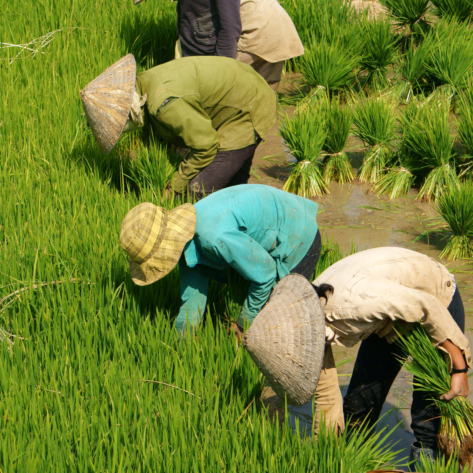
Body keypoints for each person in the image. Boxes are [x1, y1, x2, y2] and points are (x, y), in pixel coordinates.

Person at [310, 247, 471, 462]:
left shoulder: (358, 305)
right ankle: (352, 458)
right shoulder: (308, 318)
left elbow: (428, 307)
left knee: (428, 415)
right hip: (389, 316)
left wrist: (459, 367)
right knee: (360, 402)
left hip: (435, 300)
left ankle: (431, 463)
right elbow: (326, 397)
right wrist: (325, 452)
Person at [118, 184, 321, 337]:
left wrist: (242, 325)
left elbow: (265, 274)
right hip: (266, 235)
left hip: (297, 237)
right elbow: (192, 301)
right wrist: (178, 349)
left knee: (279, 325)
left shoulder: (212, 237)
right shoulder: (186, 242)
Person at [80, 55, 277, 199]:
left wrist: (173, 186)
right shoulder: (143, 83)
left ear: (130, 115)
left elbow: (207, 145)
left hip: (247, 107)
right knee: (230, 185)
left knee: (198, 190)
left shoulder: (164, 104)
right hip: (237, 88)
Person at [133, 0, 304, 91]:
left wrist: (218, 73)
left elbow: (230, 28)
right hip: (268, 24)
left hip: (259, 29)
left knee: (229, 102)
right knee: (255, 106)